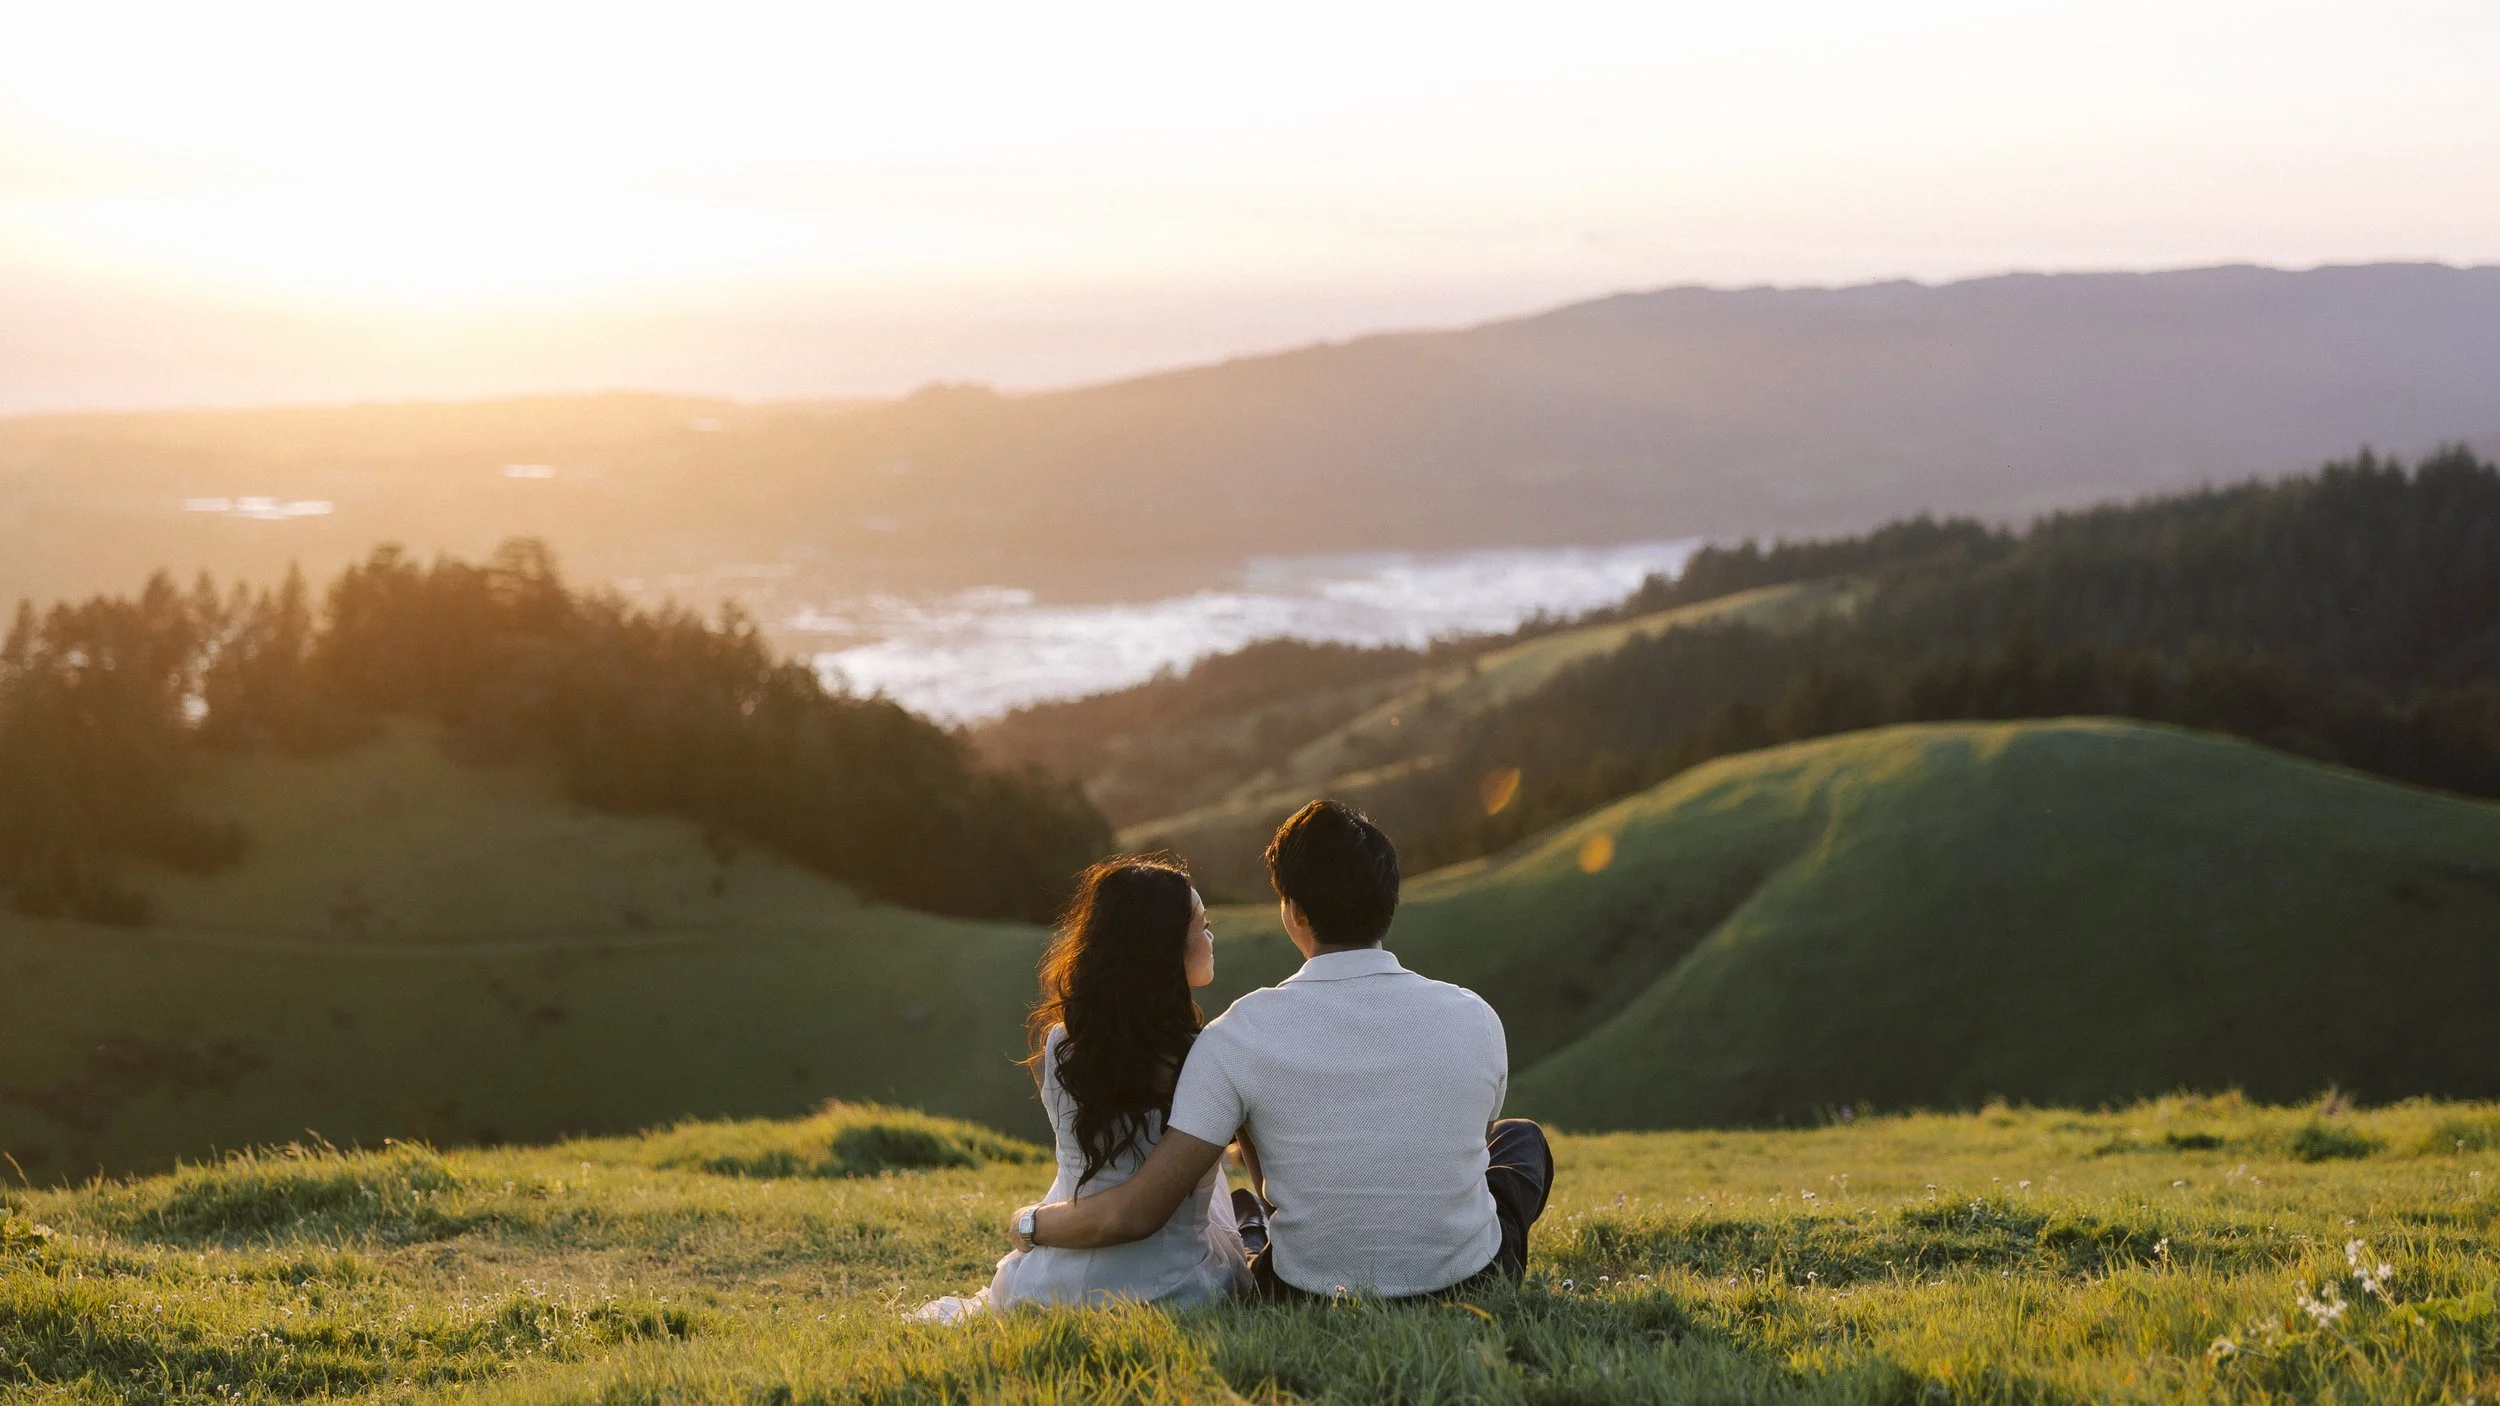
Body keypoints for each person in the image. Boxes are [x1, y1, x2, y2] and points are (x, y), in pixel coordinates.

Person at [1008, 800, 1553, 1300]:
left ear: (1293, 912)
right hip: (1468, 1282)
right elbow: (1468, 1151)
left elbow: (1249, 1189)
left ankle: (1251, 1232)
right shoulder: (1474, 1015)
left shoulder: (1236, 1035)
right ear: (1389, 902)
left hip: (1308, 1294)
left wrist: (1030, 1223)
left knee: (1254, 1209)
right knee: (1521, 1140)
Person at [918, 856, 1250, 1321]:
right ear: (1163, 946)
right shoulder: (1207, 1055)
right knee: (1215, 1187)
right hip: (1171, 1289)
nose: (1211, 936)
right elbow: (1136, 1212)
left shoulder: (1062, 1045)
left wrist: (1030, 1221)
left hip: (1051, 1281)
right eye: (1203, 925)